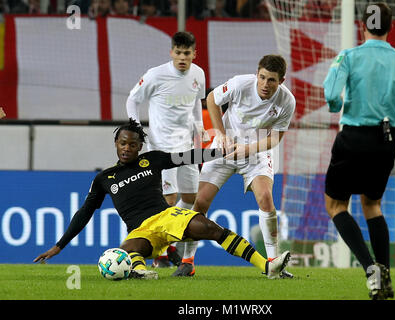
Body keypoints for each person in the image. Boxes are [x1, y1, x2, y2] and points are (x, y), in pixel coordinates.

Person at [33, 119, 291, 280]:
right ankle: (141, 272)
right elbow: (84, 212)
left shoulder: (152, 159)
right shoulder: (105, 178)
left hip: (168, 217)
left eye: (132, 145)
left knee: (211, 228)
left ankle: (267, 267)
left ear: (139, 147)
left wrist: (218, 151)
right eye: (123, 143)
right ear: (116, 143)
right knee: (129, 249)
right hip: (140, 229)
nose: (127, 148)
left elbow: (185, 157)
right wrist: (60, 245)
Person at [323, 2, 395, 300]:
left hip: (353, 136)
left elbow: (331, 94)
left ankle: (370, 270)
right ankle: (386, 277)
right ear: (391, 27)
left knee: (336, 205)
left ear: (362, 26)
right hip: (385, 140)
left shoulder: (348, 56)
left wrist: (334, 107)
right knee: (372, 205)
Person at [173, 54, 296, 278]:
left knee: (265, 198)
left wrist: (248, 149)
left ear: (282, 81)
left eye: (272, 80)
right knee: (200, 201)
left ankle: (274, 264)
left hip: (256, 151)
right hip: (224, 148)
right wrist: (220, 133)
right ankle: (188, 261)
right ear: (256, 73)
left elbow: (275, 138)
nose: (265, 84)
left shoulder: (287, 101)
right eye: (262, 77)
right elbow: (211, 99)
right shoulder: (240, 84)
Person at [126, 31, 209, 272]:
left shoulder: (198, 74)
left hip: (187, 147)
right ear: (171, 52)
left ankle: (171, 246)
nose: (183, 57)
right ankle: (159, 252)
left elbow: (195, 102)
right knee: (169, 200)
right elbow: (132, 100)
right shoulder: (155, 75)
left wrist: (200, 128)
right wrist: (136, 128)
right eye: (179, 52)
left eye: (187, 53)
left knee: (192, 198)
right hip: (161, 148)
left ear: (195, 53)